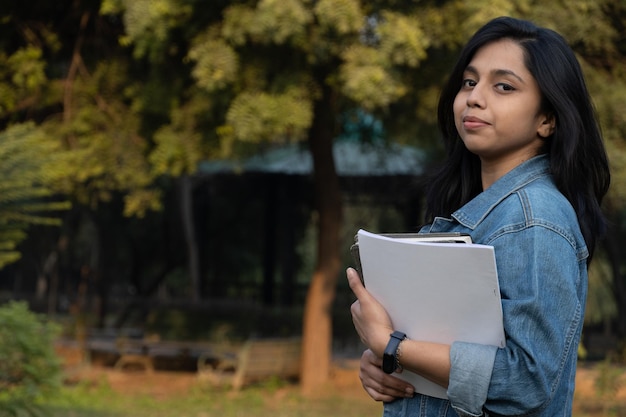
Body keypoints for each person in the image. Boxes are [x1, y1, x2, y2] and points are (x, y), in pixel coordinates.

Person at [347, 16, 610, 417]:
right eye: (469, 82)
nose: (474, 97)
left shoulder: (534, 219)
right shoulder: (479, 213)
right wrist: (388, 365)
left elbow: (527, 380)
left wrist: (392, 345)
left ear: (547, 119)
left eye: (503, 86)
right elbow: (441, 349)